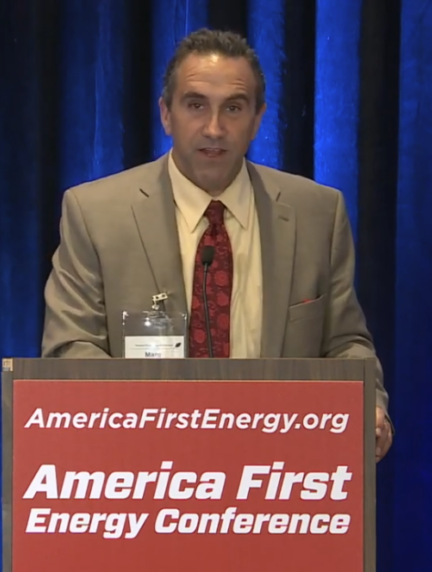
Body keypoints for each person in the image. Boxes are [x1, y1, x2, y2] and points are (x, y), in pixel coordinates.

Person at [40, 28, 393, 461]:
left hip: (277, 476)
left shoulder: (317, 214)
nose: (214, 127)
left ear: (258, 118)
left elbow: (344, 342)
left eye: (234, 108)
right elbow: (71, 347)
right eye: (195, 105)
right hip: (143, 475)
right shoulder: (96, 212)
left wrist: (367, 402)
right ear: (166, 114)